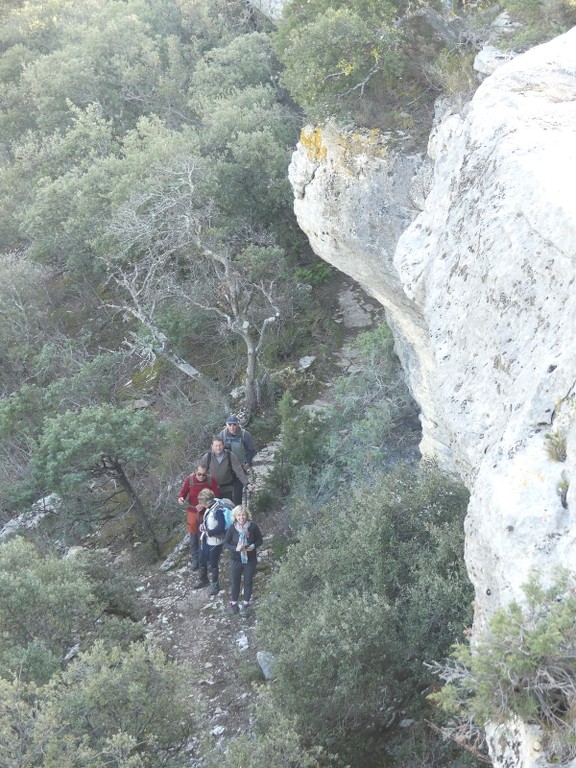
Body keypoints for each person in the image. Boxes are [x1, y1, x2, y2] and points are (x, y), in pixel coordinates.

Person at [177, 465, 220, 571]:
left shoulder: (211, 480)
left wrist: (205, 504)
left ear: (207, 473)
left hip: (206, 512)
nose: (201, 476)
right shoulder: (189, 479)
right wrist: (181, 498)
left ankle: (207, 559)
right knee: (193, 536)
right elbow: (183, 493)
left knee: (205, 536)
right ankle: (196, 559)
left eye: (203, 475)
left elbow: (217, 497)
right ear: (195, 471)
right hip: (192, 511)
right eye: (199, 474)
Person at [223, 505, 263, 615]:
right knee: (235, 582)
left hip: (250, 559)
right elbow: (225, 543)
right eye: (239, 515)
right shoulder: (232, 528)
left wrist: (254, 546)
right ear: (235, 516)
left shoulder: (253, 527)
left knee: (248, 581)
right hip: (236, 559)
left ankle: (245, 605)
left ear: (247, 515)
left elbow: (260, 540)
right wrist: (235, 548)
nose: (241, 517)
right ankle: (234, 604)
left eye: (243, 515)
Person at [201, 437, 253, 505]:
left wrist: (247, 484)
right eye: (216, 446)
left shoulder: (230, 455)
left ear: (223, 445)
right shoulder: (207, 457)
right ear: (212, 446)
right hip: (212, 489)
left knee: (227, 508)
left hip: (227, 488)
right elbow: (201, 472)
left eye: (220, 445)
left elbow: (239, 471)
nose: (218, 448)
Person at [193, 488, 226, 596]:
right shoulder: (209, 509)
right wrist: (202, 526)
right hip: (206, 540)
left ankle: (215, 584)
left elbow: (221, 527)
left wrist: (209, 533)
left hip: (215, 542)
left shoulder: (218, 510)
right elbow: (207, 521)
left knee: (213, 564)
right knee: (202, 560)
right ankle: (203, 579)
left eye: (201, 502)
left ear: (206, 501)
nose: (200, 504)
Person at [217, 415, 256, 503]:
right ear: (226, 425)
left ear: (238, 424)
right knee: (226, 494)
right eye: (230, 425)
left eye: (234, 424)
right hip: (226, 468)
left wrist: (247, 462)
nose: (232, 427)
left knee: (238, 494)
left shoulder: (245, 434)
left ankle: (238, 513)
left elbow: (251, 450)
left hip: (240, 468)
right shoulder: (222, 435)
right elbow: (217, 450)